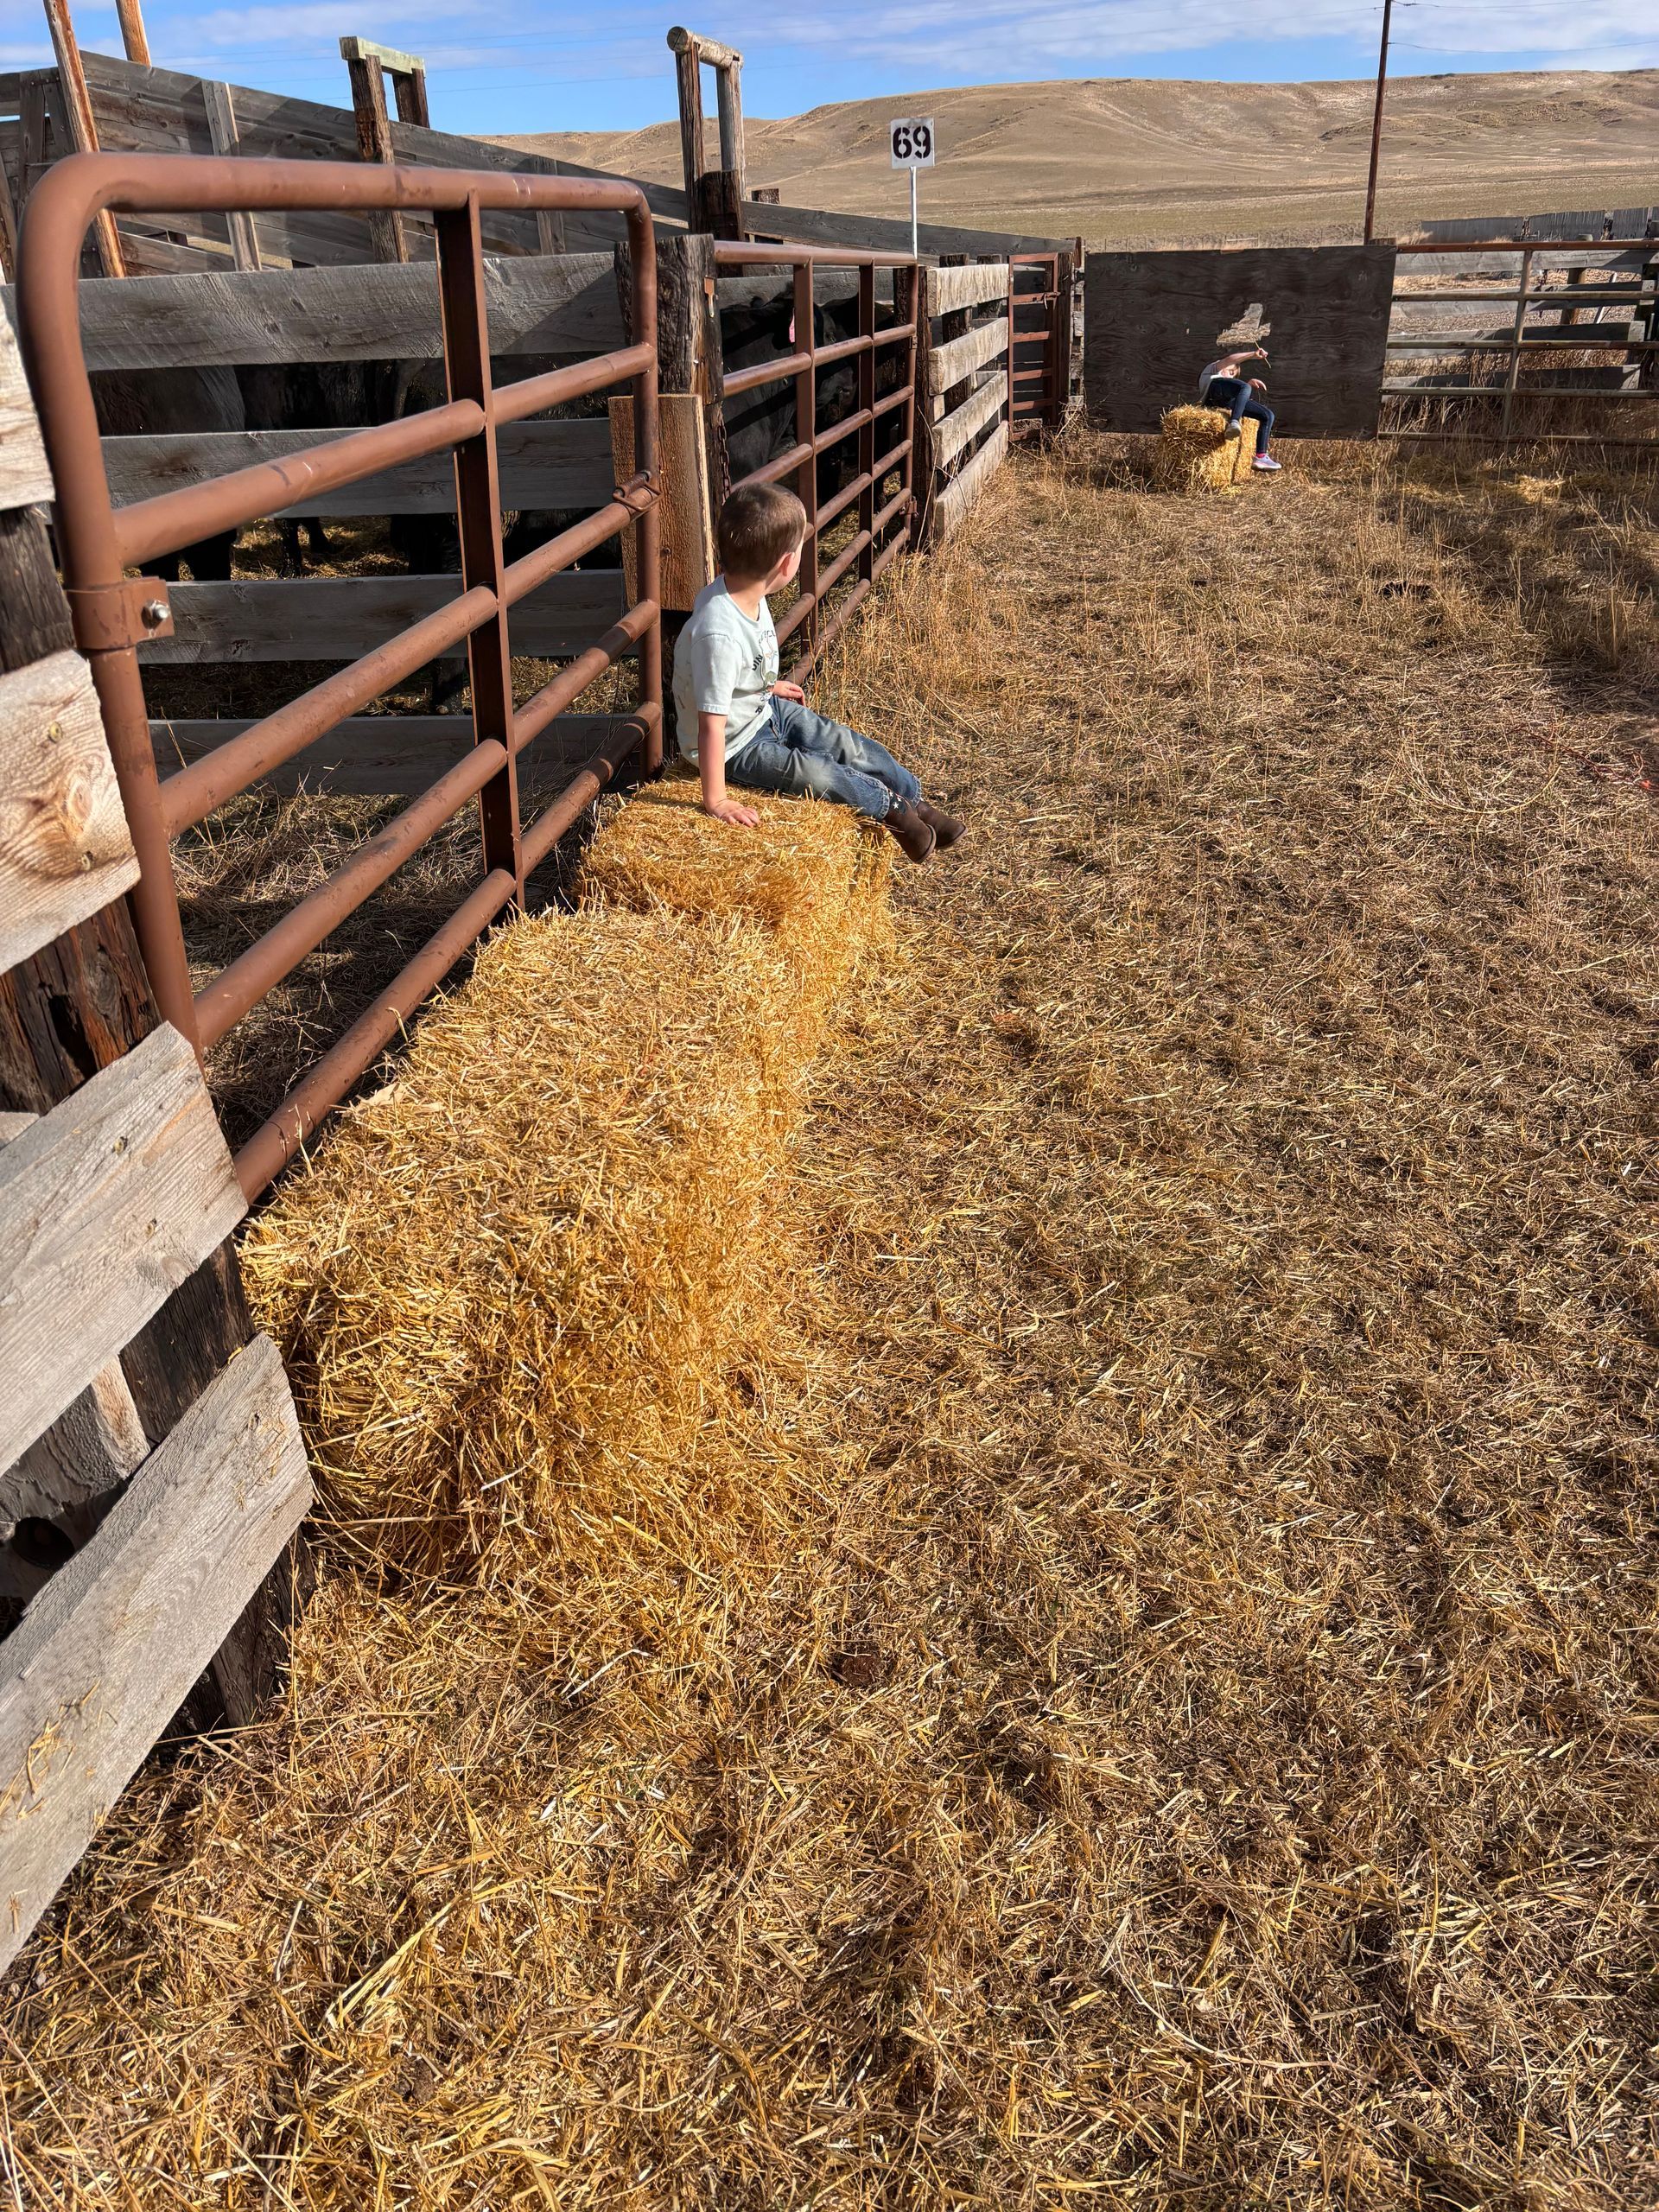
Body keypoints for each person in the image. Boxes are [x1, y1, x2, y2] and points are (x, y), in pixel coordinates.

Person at [672, 480, 966, 861]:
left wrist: (767, 686)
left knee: (843, 743)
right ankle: (891, 810)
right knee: (815, 774)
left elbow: (731, 674)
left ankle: (914, 799)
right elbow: (712, 723)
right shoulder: (718, 632)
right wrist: (717, 799)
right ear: (787, 563)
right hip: (737, 745)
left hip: (764, 708)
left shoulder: (745, 593)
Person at [1197, 346, 1282, 474]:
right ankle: (1234, 422)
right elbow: (1230, 360)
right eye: (1231, 372)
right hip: (1213, 393)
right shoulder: (1214, 369)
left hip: (1224, 401)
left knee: (1268, 415)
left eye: (1234, 375)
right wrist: (1254, 354)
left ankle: (1261, 456)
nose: (1232, 376)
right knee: (1244, 387)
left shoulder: (1231, 384)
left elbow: (1239, 392)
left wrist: (1248, 385)